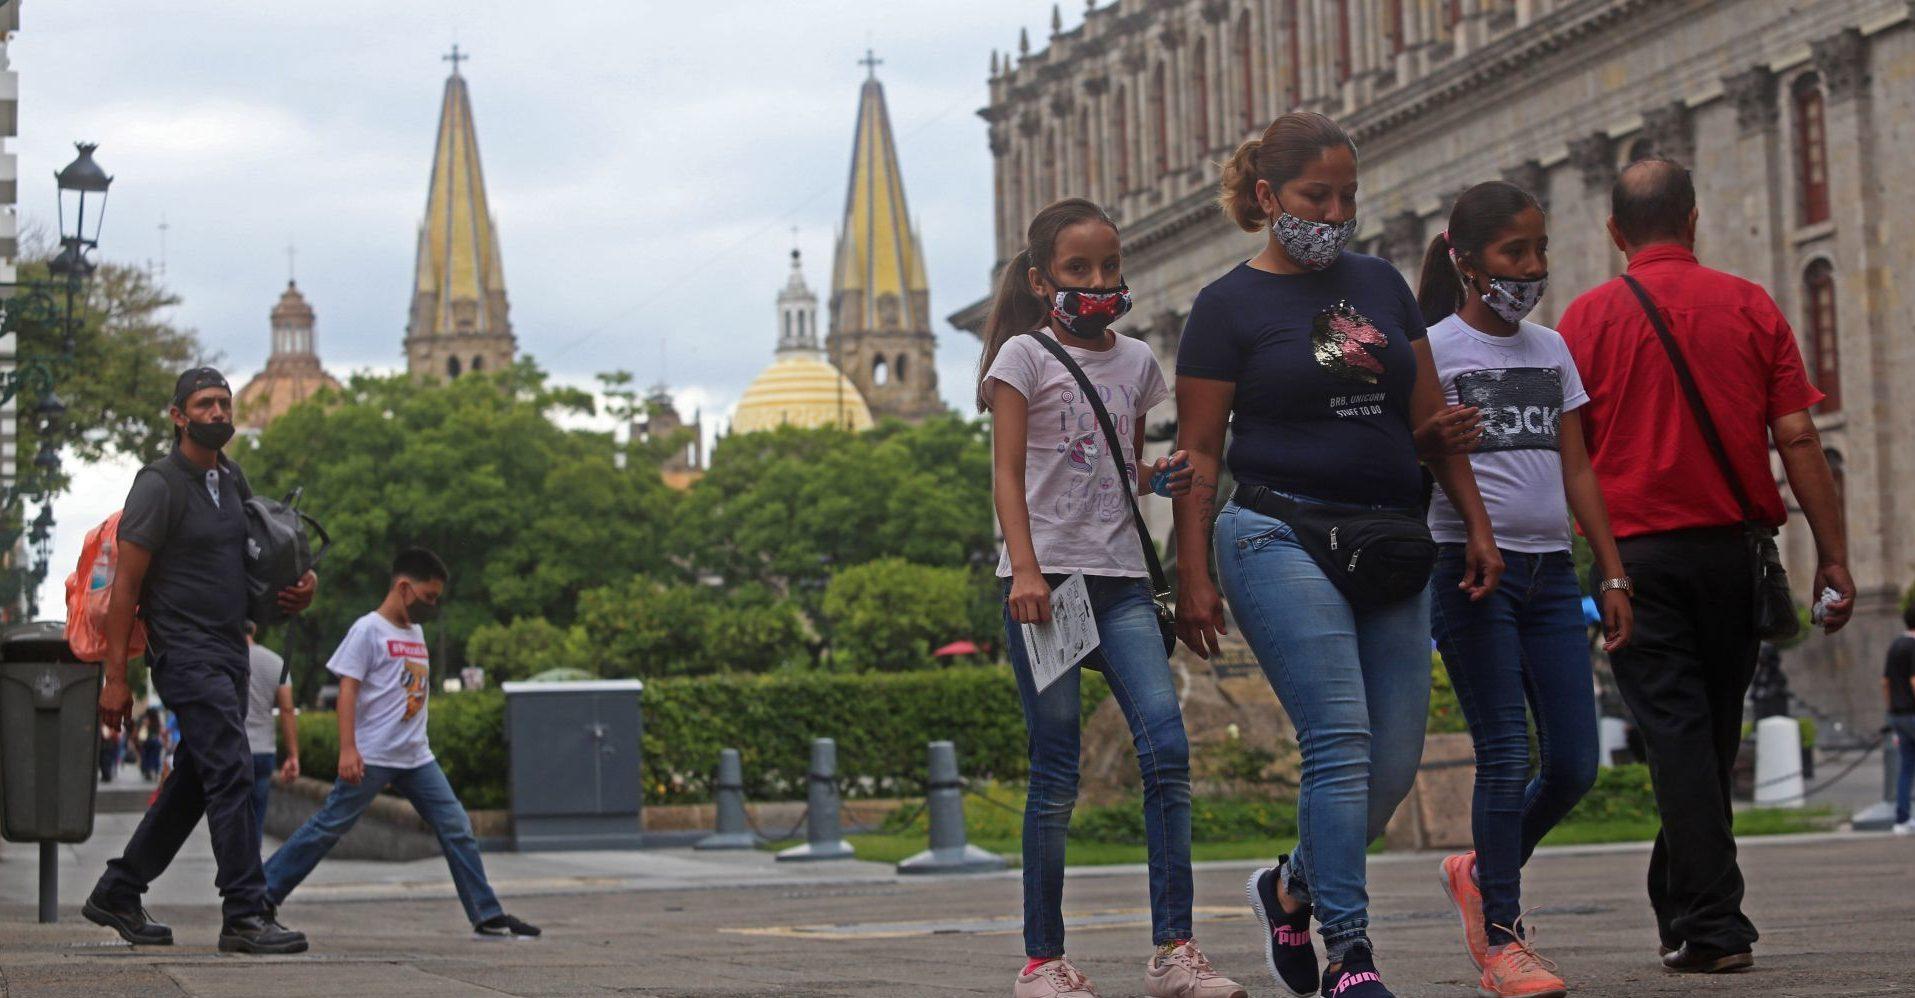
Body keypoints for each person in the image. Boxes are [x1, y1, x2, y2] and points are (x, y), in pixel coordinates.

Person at [1172, 111, 1501, 998]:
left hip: (1388, 538)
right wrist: (1191, 571)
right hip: (1277, 529)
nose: (1337, 210)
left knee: (1393, 762)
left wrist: (1472, 520)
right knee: (1340, 739)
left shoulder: (1382, 286)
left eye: (1348, 194)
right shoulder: (1224, 307)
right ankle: (1349, 955)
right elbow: (1199, 452)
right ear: (1267, 196)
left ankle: (1287, 887)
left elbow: (1429, 425)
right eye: (1318, 195)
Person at [1556, 158, 1854, 974]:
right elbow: (1797, 438)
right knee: (1707, 738)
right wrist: (1831, 554)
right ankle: (1697, 914)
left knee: (1684, 741)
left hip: (1634, 561)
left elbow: (1568, 455)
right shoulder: (1749, 305)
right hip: (1733, 555)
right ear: (1692, 222)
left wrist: (1596, 565)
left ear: (1614, 234)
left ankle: (1705, 921)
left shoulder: (1583, 321)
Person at [981, 198, 1244, 998]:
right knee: (1056, 767)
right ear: (1041, 281)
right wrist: (1025, 571)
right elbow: (1008, 474)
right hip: (1048, 584)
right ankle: (1042, 960)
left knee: (1166, 748)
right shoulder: (1020, 359)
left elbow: (1118, 466)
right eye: (1077, 271)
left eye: (1107, 268)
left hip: (1122, 578)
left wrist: (1151, 478)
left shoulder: (1135, 363)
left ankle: (1174, 950)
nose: (1097, 283)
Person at [1413, 180, 1634, 997]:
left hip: (1548, 574)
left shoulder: (1550, 350)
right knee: (1505, 753)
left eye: (1539, 250)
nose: (1531, 267)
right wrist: (1474, 530)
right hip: (1472, 571)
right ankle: (1503, 941)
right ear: (1465, 261)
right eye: (1514, 254)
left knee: (1574, 763)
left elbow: (1576, 464)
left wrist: (1606, 571)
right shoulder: (1429, 349)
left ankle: (1477, 870)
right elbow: (1432, 455)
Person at [86, 367, 316, 954]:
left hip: (229, 649)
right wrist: (116, 680)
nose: (218, 412)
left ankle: (119, 889)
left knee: (196, 780)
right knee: (233, 768)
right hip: (184, 654)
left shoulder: (232, 480)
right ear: (178, 415)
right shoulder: (158, 485)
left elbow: (248, 563)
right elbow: (125, 590)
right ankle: (245, 910)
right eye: (205, 404)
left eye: (224, 403)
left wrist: (293, 589)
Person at [262, 548, 539, 940]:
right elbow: (348, 690)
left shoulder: (416, 632)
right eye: (429, 597)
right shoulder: (368, 630)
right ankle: (262, 896)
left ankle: (486, 914)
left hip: (416, 757)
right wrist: (348, 749)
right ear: (404, 587)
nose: (433, 606)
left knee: (456, 826)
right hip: (372, 755)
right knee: (328, 827)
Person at [244, 621, 300, 852]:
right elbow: (287, 709)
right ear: (254, 628)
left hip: (231, 751)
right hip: (263, 753)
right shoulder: (278, 662)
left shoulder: (218, 661)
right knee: (256, 820)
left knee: (229, 820)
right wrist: (293, 755)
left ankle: (232, 874)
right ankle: (251, 876)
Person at [1887, 603, 1915, 835]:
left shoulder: (1896, 645)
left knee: (1906, 767)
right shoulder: (1914, 646)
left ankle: (1902, 819)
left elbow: (1885, 682)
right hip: (1913, 713)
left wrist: (1891, 710)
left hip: (1898, 715)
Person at [138, 708, 164, 782]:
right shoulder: (157, 721)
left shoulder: (146, 720)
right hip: (156, 742)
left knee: (147, 757)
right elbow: (160, 732)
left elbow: (143, 731)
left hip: (147, 742)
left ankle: (148, 771)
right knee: (156, 757)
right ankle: (155, 772)